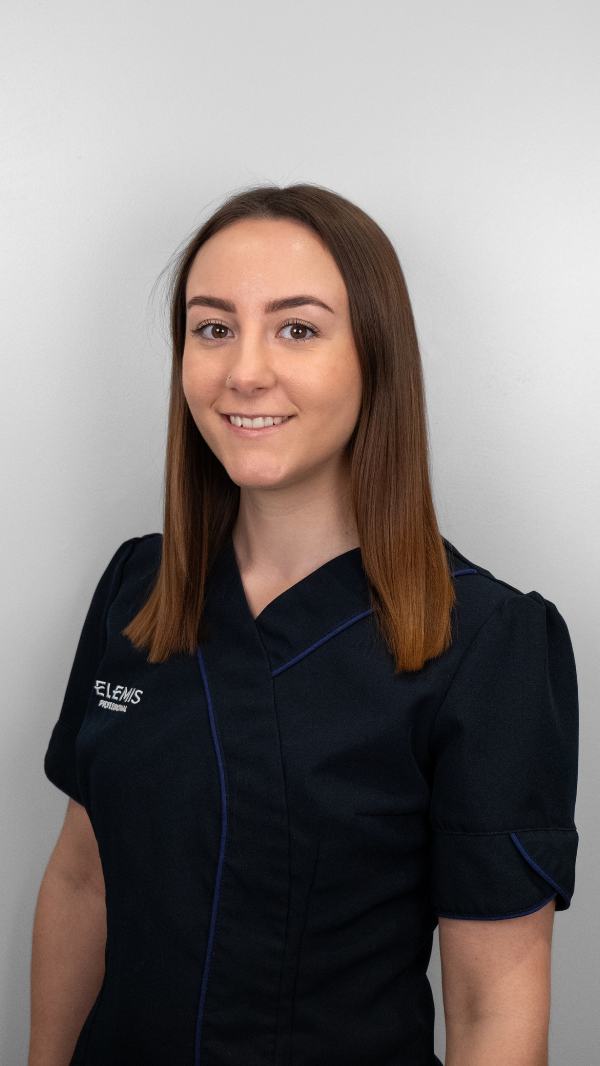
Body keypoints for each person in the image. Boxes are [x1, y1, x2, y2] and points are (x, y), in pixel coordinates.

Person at [29, 184, 578, 1066]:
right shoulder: (138, 587)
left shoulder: (487, 643)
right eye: (214, 328)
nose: (245, 371)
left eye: (296, 328)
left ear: (374, 357)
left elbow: (493, 1010)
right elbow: (82, 881)